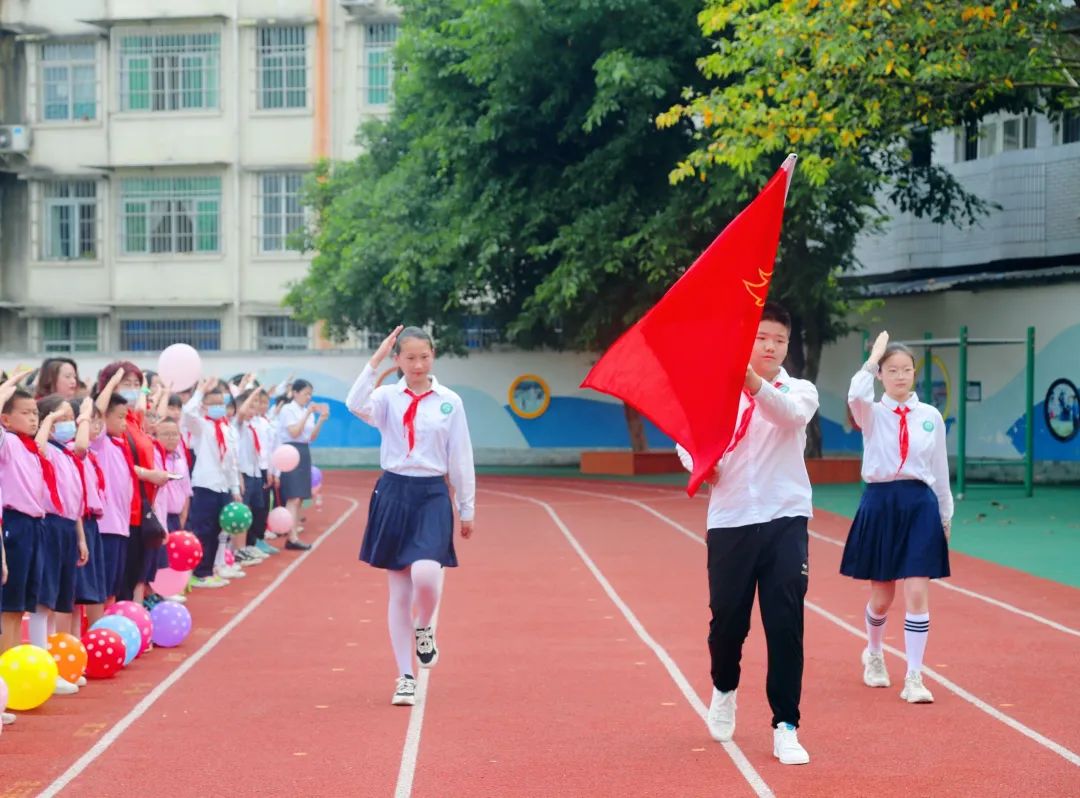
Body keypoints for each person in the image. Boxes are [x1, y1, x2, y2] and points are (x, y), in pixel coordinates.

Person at [675, 302, 817, 766]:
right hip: (731, 519)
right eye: (761, 337)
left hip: (785, 518)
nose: (771, 345)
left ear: (787, 345)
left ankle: (786, 725)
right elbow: (686, 438)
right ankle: (724, 687)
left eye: (779, 339)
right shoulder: (716, 390)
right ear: (747, 340)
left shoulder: (799, 391)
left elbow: (789, 418)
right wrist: (700, 464)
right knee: (728, 624)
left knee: (785, 623)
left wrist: (753, 384)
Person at [346, 325, 476, 707]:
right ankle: (405, 676)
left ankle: (425, 629)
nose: (418, 364)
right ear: (397, 359)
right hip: (394, 492)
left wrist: (466, 507)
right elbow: (354, 403)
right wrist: (375, 360)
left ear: (433, 355)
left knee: (425, 574)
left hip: (433, 493)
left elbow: (461, 456)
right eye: (409, 357)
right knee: (399, 590)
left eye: (424, 356)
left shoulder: (449, 401)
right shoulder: (386, 397)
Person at [840, 331, 952, 704]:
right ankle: (874, 653)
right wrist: (870, 361)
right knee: (883, 596)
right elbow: (855, 395)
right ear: (882, 374)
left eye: (906, 369)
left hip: (920, 504)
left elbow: (939, 468)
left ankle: (915, 677)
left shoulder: (929, 416)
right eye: (892, 370)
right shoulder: (871, 413)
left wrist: (945, 514)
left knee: (918, 591)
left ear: (914, 373)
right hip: (881, 503)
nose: (900, 376)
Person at [32, 394, 92, 695]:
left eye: (71, 418)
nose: (68, 424)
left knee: (59, 599)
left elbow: (75, 501)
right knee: (45, 597)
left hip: (68, 526)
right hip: (49, 525)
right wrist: (49, 422)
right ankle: (42, 663)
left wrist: (80, 537)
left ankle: (54, 664)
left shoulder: (67, 455)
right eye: (62, 418)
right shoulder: (43, 449)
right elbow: (38, 446)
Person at [182, 378, 243, 589]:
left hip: (223, 485)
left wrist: (234, 487)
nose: (219, 407)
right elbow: (188, 413)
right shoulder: (201, 425)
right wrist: (199, 391)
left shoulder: (226, 428)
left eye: (221, 403)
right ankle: (200, 572)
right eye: (213, 403)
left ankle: (211, 567)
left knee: (218, 529)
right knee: (203, 529)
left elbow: (231, 462)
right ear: (204, 405)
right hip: (205, 484)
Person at [275, 379, 329, 551]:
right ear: (295, 393)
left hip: (304, 450)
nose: (308, 397)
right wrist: (307, 415)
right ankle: (291, 536)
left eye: (310, 394)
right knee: (293, 496)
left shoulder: (307, 412)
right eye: (305, 393)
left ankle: (294, 533)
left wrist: (321, 420)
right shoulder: (287, 409)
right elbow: (294, 432)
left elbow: (311, 437)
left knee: (299, 498)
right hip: (290, 452)